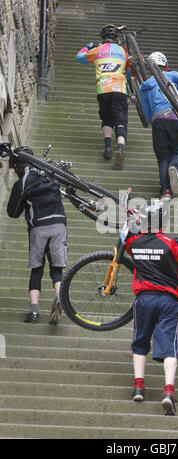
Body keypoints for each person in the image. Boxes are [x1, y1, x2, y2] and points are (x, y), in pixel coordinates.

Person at [125, 200, 178, 415]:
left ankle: (138, 387)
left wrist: (133, 222)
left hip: (144, 299)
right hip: (168, 300)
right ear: (166, 221)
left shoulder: (134, 242)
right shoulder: (170, 243)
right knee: (169, 347)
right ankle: (168, 392)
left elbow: (125, 239)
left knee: (139, 343)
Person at [7, 146, 68, 325]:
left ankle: (34, 313)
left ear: (17, 165)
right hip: (59, 224)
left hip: (39, 227)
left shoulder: (23, 181)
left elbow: (13, 212)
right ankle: (58, 296)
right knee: (57, 269)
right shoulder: (50, 172)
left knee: (37, 269)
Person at [76, 24, 131, 170]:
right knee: (121, 120)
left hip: (103, 90)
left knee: (106, 119)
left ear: (102, 38)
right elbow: (129, 70)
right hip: (119, 89)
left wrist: (87, 46)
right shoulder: (123, 51)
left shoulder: (97, 50)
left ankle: (108, 147)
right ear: (117, 38)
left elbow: (80, 58)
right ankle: (120, 148)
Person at [140, 52, 178, 201]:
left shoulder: (145, 85)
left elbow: (145, 109)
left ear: (150, 70)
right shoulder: (172, 75)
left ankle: (165, 191)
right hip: (175, 116)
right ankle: (174, 167)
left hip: (158, 120)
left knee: (162, 157)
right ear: (165, 66)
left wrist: (152, 121)